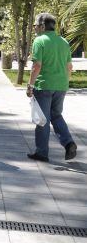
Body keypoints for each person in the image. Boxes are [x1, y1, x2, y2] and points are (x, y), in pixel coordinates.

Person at [26, 13, 77, 162]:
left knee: (43, 119)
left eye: (36, 26)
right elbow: (69, 66)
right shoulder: (63, 41)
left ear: (42, 26)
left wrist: (30, 85)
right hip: (61, 86)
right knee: (56, 115)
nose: (35, 28)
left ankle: (41, 152)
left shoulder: (39, 41)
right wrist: (65, 84)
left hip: (44, 85)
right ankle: (68, 143)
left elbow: (37, 66)